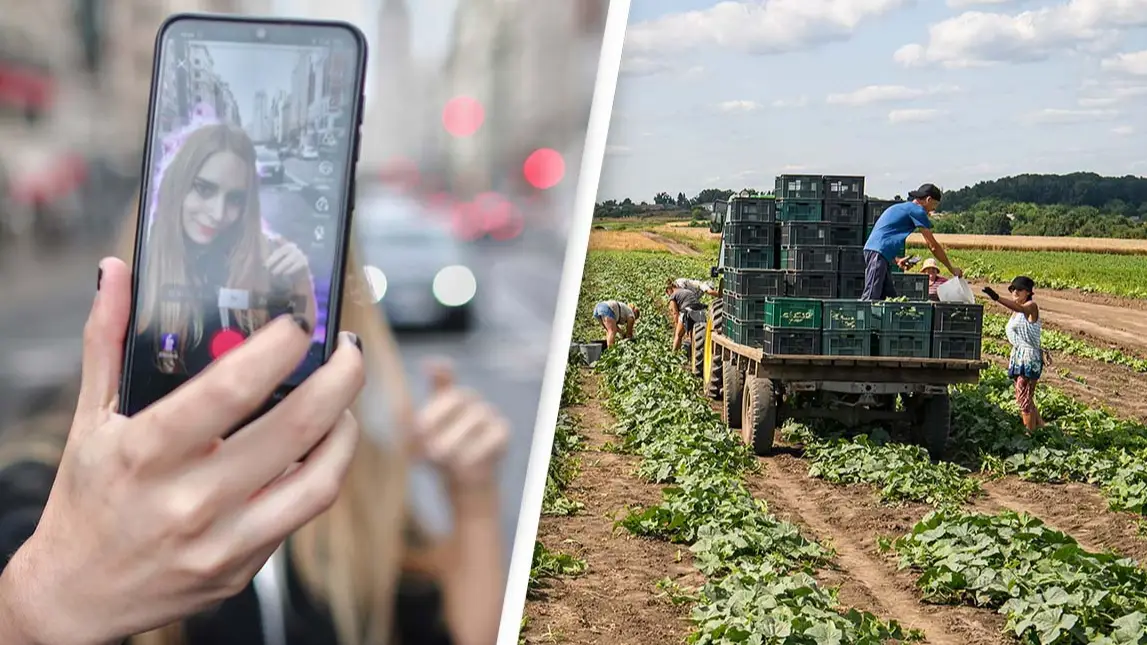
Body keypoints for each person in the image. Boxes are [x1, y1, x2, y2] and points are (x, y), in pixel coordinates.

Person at [0, 199, 509, 645]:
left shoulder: (353, 479)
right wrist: (32, 609)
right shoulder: (54, 486)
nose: (244, 291)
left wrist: (474, 499)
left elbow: (446, 632)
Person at [136, 120, 317, 379]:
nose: (218, 214)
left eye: (234, 199)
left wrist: (300, 282)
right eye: (204, 189)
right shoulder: (144, 255)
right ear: (179, 184)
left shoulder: (269, 258)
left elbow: (298, 359)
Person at [862, 183, 962, 301]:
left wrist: (897, 260)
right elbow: (933, 245)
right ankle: (853, 319)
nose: (934, 209)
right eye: (934, 205)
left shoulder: (904, 207)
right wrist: (951, 268)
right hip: (877, 253)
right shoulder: (917, 211)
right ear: (928, 200)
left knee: (890, 298)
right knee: (870, 298)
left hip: (879, 252)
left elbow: (885, 235)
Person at [983, 276, 1046, 432]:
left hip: (1029, 356)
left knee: (1023, 398)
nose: (1015, 292)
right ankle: (1041, 428)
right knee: (1025, 396)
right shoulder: (1015, 312)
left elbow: (1022, 309)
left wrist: (997, 298)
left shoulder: (1031, 306)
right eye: (1012, 289)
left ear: (1029, 292)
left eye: (1019, 289)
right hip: (1019, 355)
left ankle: (1030, 435)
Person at [666, 284, 705, 353]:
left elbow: (675, 313)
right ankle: (695, 354)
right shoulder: (687, 291)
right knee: (694, 336)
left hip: (687, 311)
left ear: (669, 290)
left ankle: (674, 355)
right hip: (700, 311)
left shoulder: (673, 296)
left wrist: (676, 325)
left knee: (678, 335)